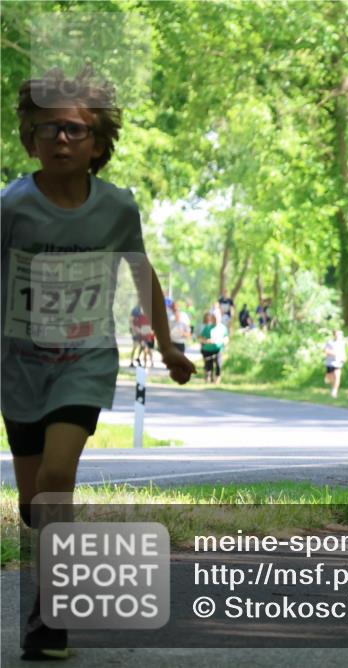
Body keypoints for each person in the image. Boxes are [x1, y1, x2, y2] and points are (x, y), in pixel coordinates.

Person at [2, 67, 195, 660]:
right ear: (30, 138)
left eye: (75, 130)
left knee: (59, 477)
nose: (61, 139)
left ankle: (49, 612)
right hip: (18, 366)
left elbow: (142, 273)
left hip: (84, 361)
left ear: (98, 142)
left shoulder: (116, 208)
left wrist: (166, 344)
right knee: (36, 503)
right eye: (48, 129)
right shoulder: (12, 205)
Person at [199, 312, 227, 384]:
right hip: (208, 349)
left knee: (218, 364)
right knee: (208, 365)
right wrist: (207, 341)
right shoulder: (208, 327)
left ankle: (217, 379)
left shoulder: (223, 327)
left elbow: (226, 337)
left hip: (218, 349)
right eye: (214, 318)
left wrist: (225, 341)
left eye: (217, 318)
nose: (216, 320)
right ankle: (208, 378)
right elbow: (201, 338)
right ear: (212, 319)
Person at [324, 330, 346, 398]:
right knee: (331, 378)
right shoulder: (330, 342)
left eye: (340, 335)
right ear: (334, 335)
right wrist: (333, 353)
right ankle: (332, 387)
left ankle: (334, 391)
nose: (339, 336)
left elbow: (343, 352)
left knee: (337, 377)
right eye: (337, 335)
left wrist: (344, 357)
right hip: (330, 363)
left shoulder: (342, 343)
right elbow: (326, 350)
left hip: (338, 363)